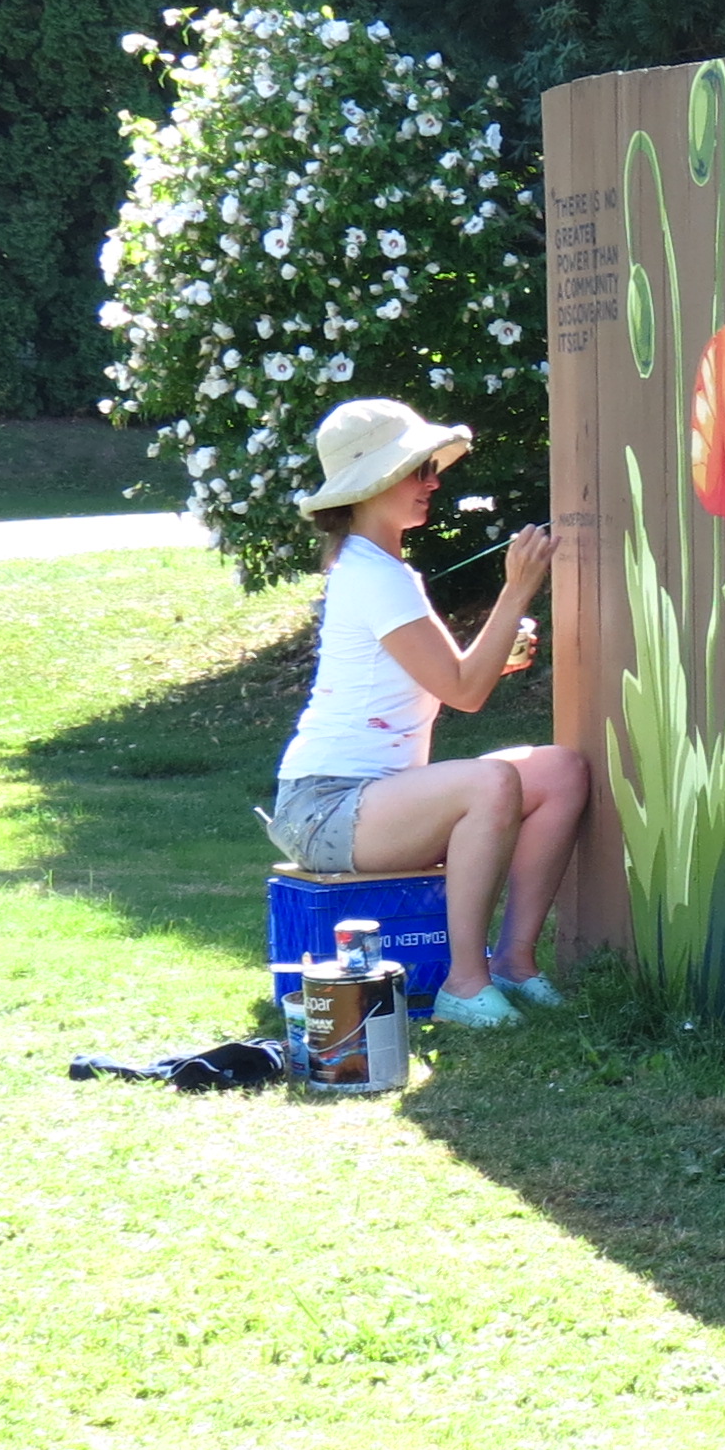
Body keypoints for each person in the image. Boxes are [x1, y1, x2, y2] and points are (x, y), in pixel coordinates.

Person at [265, 396, 591, 1030]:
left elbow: (449, 678)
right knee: (490, 781)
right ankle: (463, 986)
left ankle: (513, 965)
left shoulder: (382, 568)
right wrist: (518, 586)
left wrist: (495, 653)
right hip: (326, 806)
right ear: (372, 483)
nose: (433, 482)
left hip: (373, 798)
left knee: (561, 771)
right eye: (418, 470)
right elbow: (465, 691)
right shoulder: (373, 574)